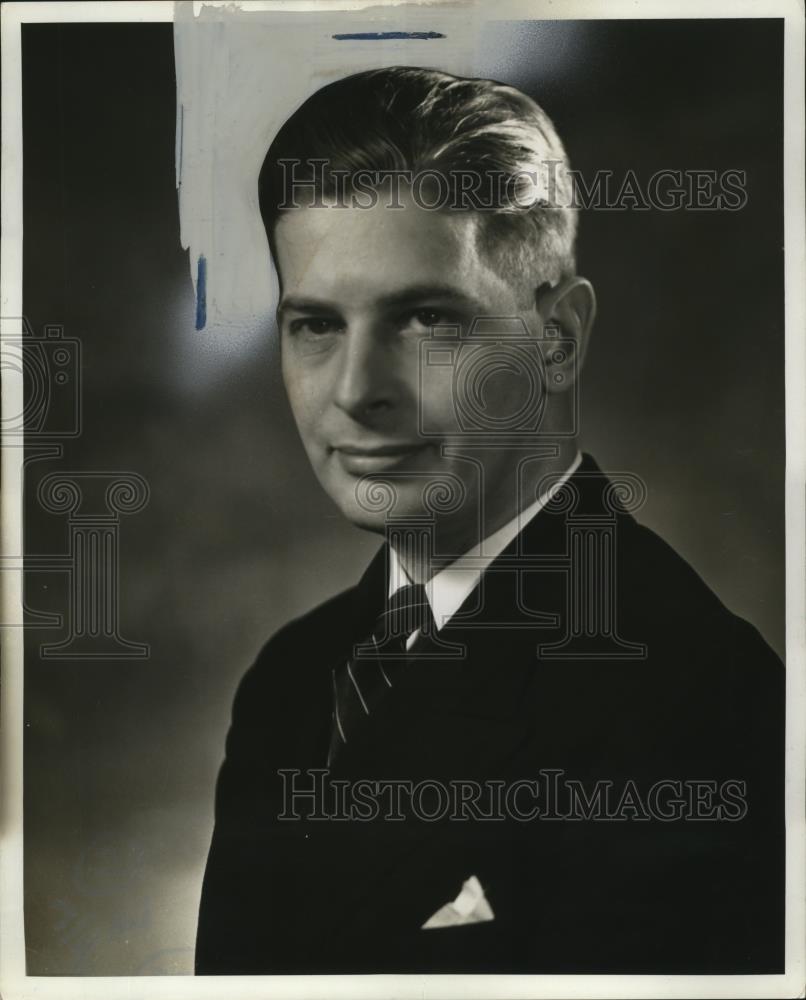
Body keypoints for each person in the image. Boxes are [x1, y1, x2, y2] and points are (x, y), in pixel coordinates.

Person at [195, 67, 784, 975]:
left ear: (557, 339)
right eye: (316, 326)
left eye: (427, 318)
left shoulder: (702, 703)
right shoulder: (291, 682)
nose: (357, 393)